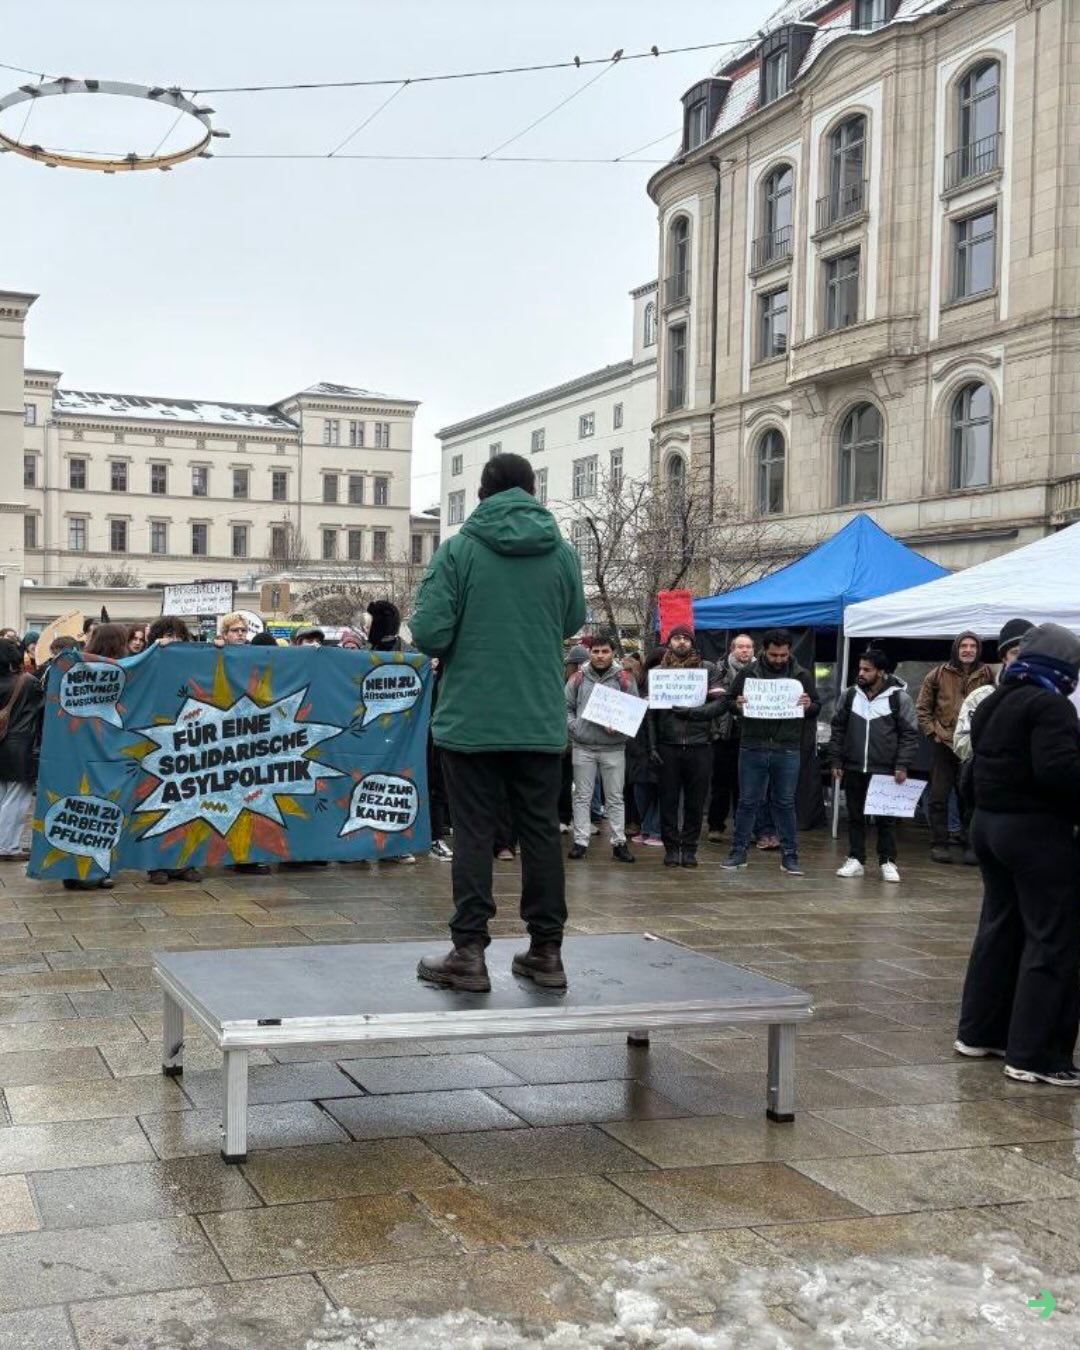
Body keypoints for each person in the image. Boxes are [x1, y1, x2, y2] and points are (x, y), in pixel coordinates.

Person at [411, 451, 585, 991]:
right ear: (533, 492)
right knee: (539, 833)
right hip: (536, 716)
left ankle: (468, 952)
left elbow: (430, 634)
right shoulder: (561, 552)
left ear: (482, 495)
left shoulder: (459, 550)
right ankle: (546, 951)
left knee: (474, 832)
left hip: (472, 718)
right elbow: (574, 620)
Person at [955, 623, 1080, 1087]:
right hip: (1035, 832)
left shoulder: (993, 700)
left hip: (988, 825)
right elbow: (1058, 771)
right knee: (1052, 937)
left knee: (1000, 929)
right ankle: (1036, 1055)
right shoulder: (1051, 706)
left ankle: (980, 1033)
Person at [723, 629, 819, 876]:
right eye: (774, 654)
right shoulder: (748, 673)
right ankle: (738, 852)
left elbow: (817, 705)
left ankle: (790, 855)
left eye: (783, 655)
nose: (778, 659)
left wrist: (809, 706)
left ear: (790, 651)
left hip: (786, 747)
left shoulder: (801, 675)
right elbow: (729, 701)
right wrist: (738, 705)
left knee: (785, 802)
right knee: (747, 802)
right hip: (753, 745)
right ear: (764, 650)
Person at [829, 648, 919, 883]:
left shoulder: (899, 698)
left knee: (885, 818)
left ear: (881, 672)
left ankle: (887, 860)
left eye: (867, 670)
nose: (861, 673)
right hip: (854, 765)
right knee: (855, 816)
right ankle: (856, 858)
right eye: (860, 668)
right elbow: (837, 729)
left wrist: (902, 764)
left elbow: (909, 734)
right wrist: (836, 759)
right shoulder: (849, 695)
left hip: (885, 768)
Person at [648, 624, 727, 868]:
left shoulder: (708, 669)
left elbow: (721, 703)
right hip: (668, 745)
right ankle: (671, 848)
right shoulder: (659, 672)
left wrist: (694, 714)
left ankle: (690, 848)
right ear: (669, 643)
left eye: (685, 638)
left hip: (699, 744)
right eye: (676, 638)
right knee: (668, 801)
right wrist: (652, 746)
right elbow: (650, 714)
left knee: (695, 802)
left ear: (692, 642)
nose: (681, 642)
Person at [916, 631, 994, 864]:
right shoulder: (937, 674)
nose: (968, 650)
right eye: (963, 646)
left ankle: (971, 844)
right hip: (945, 743)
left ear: (978, 649)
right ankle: (939, 844)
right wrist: (933, 732)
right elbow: (922, 708)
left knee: (972, 796)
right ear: (956, 649)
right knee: (938, 795)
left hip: (974, 745)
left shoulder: (989, 674)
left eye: (972, 646)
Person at [565, 633, 638, 864]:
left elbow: (634, 712)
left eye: (605, 651)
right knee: (582, 796)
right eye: (596, 651)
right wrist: (575, 727)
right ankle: (580, 841)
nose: (600, 655)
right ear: (589, 653)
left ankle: (619, 843)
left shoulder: (625, 678)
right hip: (583, 745)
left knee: (615, 798)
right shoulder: (577, 678)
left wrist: (619, 728)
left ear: (613, 653)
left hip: (613, 748)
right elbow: (565, 707)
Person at [953, 619, 1033, 764]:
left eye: (1029, 652)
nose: (1023, 659)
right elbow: (961, 744)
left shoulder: (1054, 697)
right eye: (1015, 653)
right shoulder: (982, 697)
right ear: (1004, 658)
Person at [707, 632, 755, 842]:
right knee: (721, 784)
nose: (745, 650)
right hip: (723, 733)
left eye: (748, 647)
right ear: (732, 649)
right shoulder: (719, 669)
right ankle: (716, 826)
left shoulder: (761, 671)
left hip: (751, 734)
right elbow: (714, 697)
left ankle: (745, 828)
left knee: (746, 786)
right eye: (740, 647)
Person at [0, 638, 43, 861]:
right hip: (19, 748)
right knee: (16, 800)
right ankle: (8, 846)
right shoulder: (26, 682)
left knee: (3, 796)